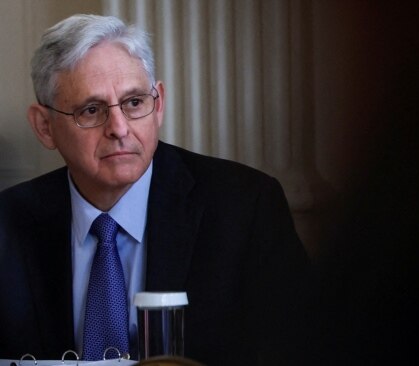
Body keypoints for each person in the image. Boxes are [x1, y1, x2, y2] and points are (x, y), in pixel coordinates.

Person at [0, 14, 311, 365]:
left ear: (158, 103)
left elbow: (295, 350)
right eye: (91, 110)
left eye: (134, 103)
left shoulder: (244, 207)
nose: (119, 128)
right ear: (45, 127)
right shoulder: (7, 222)